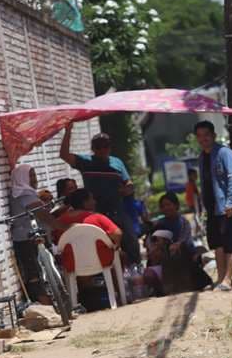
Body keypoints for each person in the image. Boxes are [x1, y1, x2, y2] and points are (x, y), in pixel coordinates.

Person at [59, 125, 140, 263]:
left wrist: (127, 189)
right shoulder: (86, 162)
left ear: (110, 147)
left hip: (117, 210)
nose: (102, 150)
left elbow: (129, 183)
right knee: (100, 245)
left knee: (131, 241)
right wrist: (68, 131)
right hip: (95, 212)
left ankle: (134, 273)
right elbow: (64, 155)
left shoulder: (117, 163)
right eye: (98, 147)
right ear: (93, 148)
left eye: (105, 146)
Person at [195, 120, 232, 291]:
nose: (203, 139)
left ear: (213, 135)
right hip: (212, 208)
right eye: (200, 136)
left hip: (227, 207)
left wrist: (231, 202)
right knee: (217, 243)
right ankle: (221, 278)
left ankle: (228, 279)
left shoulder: (225, 153)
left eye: (206, 135)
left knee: (230, 243)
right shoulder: (202, 157)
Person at [9, 164, 68, 305]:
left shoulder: (25, 193)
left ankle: (56, 303)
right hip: (26, 239)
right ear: (21, 177)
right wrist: (63, 227)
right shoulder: (23, 194)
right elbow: (42, 214)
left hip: (36, 235)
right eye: (30, 176)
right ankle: (47, 305)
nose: (34, 179)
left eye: (34, 175)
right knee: (34, 273)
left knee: (44, 269)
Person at [55, 188, 123, 247]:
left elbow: (57, 242)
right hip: (102, 259)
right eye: (92, 199)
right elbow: (117, 233)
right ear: (85, 202)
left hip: (72, 260)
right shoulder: (97, 217)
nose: (95, 202)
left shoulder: (60, 222)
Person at [154, 192, 194, 256]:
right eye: (163, 206)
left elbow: (184, 240)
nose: (166, 208)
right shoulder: (160, 223)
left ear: (176, 205)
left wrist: (176, 245)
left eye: (168, 205)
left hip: (185, 254)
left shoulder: (184, 222)